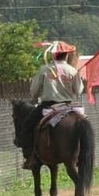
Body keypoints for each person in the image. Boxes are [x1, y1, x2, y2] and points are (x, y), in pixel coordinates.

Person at [17, 41, 84, 170]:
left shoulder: (44, 69)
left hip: (48, 106)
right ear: (66, 55)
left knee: (26, 126)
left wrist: (35, 98)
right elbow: (79, 90)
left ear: (53, 55)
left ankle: (30, 158)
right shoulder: (72, 70)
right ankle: (83, 155)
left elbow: (34, 90)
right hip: (68, 106)